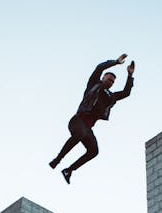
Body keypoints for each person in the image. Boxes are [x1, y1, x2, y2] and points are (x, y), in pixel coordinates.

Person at [49, 54, 135, 184]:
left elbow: (126, 93)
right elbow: (99, 68)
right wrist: (116, 62)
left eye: (112, 82)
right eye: (109, 79)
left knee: (94, 151)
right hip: (78, 120)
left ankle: (69, 170)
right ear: (103, 78)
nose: (110, 82)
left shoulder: (111, 96)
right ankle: (57, 159)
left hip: (88, 128)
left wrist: (130, 75)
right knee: (80, 133)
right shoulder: (94, 84)